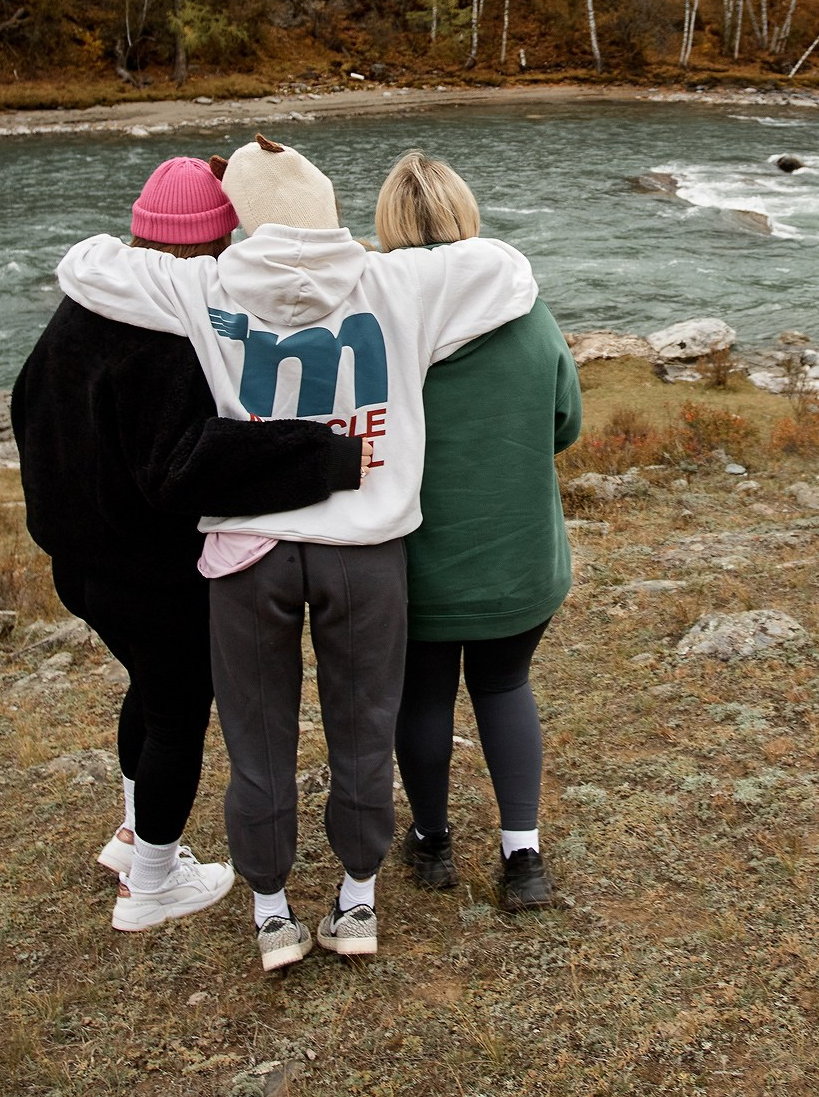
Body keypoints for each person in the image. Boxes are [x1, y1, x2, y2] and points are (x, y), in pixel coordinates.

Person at [54, 133, 539, 973]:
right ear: (330, 212)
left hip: (250, 551)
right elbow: (508, 269)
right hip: (365, 548)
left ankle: (271, 910)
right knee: (361, 728)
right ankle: (356, 900)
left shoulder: (202, 285)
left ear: (246, 221)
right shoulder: (396, 282)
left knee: (258, 736)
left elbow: (86, 263)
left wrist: (217, 200)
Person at [11, 155, 365, 936]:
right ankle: (154, 882)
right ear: (212, 248)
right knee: (177, 709)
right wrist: (328, 453)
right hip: (145, 573)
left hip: (78, 559)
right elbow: (186, 464)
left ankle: (135, 834)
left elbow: (26, 408)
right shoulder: (164, 333)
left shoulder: (84, 304)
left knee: (146, 687)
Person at [374, 151, 579, 913]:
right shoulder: (525, 303)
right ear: (465, 211)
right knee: (505, 682)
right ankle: (522, 856)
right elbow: (567, 421)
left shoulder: (377, 316)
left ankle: (431, 844)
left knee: (421, 697)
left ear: (389, 223)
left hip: (416, 561)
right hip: (519, 560)